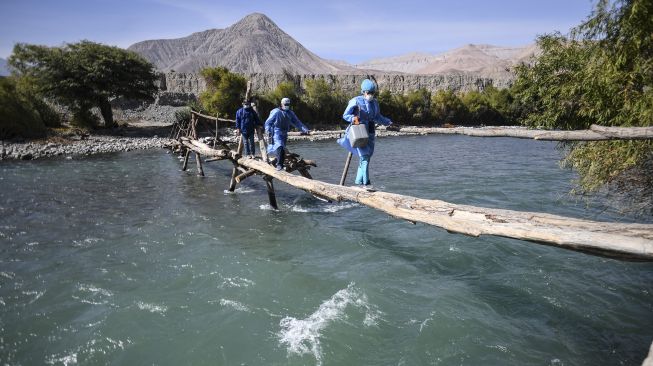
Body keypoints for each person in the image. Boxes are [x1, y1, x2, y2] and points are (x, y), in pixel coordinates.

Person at [338, 79, 393, 189]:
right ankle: (366, 183)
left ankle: (358, 181)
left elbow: (378, 117)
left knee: (366, 157)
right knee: (365, 157)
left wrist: (388, 122)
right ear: (363, 92)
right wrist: (354, 118)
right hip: (359, 132)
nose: (371, 95)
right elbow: (345, 115)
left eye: (373, 93)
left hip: (371, 132)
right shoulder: (356, 101)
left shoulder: (375, 103)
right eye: (369, 93)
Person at [264, 97, 310, 171]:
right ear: (282, 104)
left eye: (288, 104)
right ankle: (279, 165)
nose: (287, 105)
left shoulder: (290, 113)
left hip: (284, 133)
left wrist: (305, 130)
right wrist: (268, 131)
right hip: (276, 132)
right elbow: (268, 122)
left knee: (282, 148)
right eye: (285, 104)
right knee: (280, 146)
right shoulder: (276, 112)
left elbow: (297, 122)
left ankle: (278, 161)